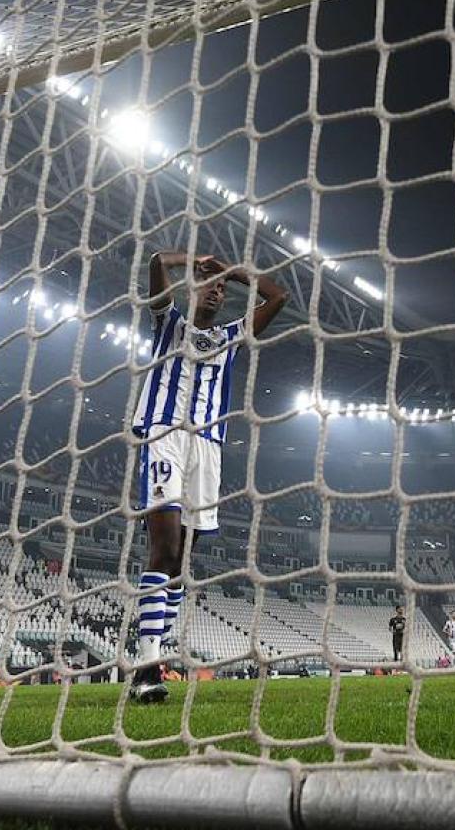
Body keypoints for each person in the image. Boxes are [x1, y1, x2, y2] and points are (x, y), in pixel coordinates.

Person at [125, 249, 287, 703]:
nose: (215, 292)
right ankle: (146, 665)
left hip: (208, 450)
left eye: (221, 290)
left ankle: (156, 652)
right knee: (164, 548)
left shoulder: (230, 336)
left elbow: (279, 297)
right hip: (165, 436)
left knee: (180, 565)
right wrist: (191, 262)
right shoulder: (168, 324)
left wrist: (232, 273)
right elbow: (156, 264)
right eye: (208, 286)